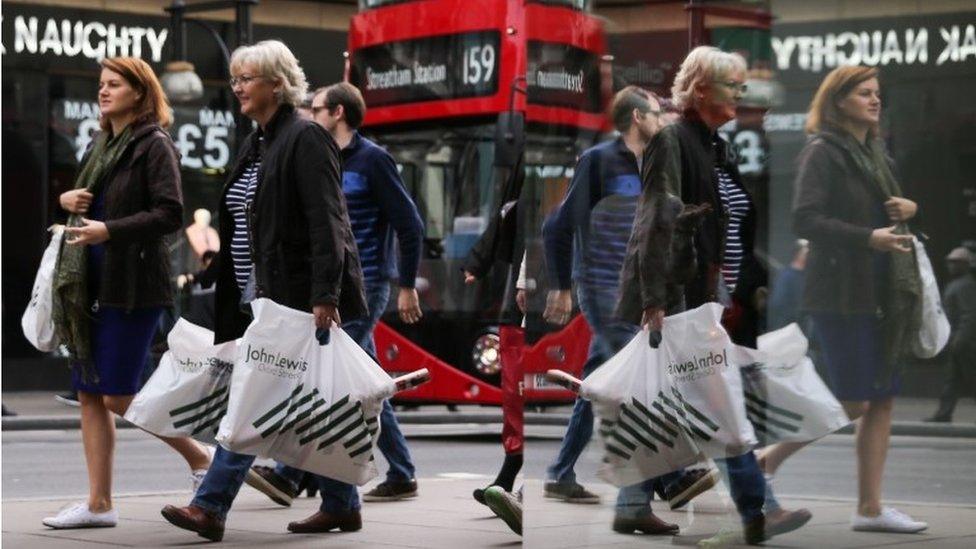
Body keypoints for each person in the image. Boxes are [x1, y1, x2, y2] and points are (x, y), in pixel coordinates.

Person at [160, 40, 369, 542]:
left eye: (246, 78)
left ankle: (210, 506)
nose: (237, 88)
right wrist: (213, 276)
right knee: (300, 400)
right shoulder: (260, 141)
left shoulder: (306, 138)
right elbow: (243, 222)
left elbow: (328, 222)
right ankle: (342, 504)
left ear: (277, 83)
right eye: (234, 79)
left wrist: (326, 296)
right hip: (260, 295)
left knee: (254, 399)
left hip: (297, 298)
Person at [619, 46, 812, 544]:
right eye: (733, 87)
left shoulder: (712, 144)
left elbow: (728, 223)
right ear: (701, 88)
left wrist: (745, 281)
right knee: (720, 404)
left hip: (707, 292)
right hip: (679, 294)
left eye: (743, 88)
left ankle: (635, 501)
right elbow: (656, 221)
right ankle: (757, 510)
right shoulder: (673, 140)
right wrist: (656, 301)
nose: (740, 96)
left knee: (669, 400)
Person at [43, 57, 212, 529]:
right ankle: (99, 505)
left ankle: (202, 459)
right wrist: (67, 201)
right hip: (88, 284)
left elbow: (170, 213)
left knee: (117, 396)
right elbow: (84, 201)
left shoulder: (154, 144)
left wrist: (110, 231)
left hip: (132, 285)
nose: (103, 91)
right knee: (88, 395)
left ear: (139, 92)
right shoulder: (102, 144)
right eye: (101, 84)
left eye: (114, 84)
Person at [540, 86, 717, 535]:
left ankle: (561, 473)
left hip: (640, 286)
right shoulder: (601, 161)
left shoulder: (661, 159)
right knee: (645, 385)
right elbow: (557, 226)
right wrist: (562, 286)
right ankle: (664, 484)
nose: (666, 117)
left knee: (605, 378)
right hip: (604, 289)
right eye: (659, 111)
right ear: (638, 117)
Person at [247, 81, 425, 505]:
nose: (307, 110)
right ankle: (401, 472)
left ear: (339, 112)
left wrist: (407, 286)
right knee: (365, 380)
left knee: (325, 376)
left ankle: (290, 474)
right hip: (329, 282)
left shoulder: (373, 161)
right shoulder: (315, 153)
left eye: (316, 105)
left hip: (364, 286)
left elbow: (410, 224)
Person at [770, 64, 926, 534]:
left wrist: (909, 209)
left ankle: (870, 509)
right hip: (840, 292)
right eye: (863, 93)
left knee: (883, 401)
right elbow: (804, 220)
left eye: (877, 93)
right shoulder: (823, 152)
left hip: (883, 291)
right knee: (855, 401)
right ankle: (763, 461)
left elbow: (889, 213)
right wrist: (867, 238)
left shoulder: (876, 152)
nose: (875, 101)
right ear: (838, 101)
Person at [924, 246, 976, 422]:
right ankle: (943, 414)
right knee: (952, 380)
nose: (951, 266)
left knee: (967, 378)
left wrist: (960, 341)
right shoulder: (956, 284)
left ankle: (943, 413)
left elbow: (969, 316)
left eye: (957, 263)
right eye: (950, 262)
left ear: (966, 265)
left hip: (964, 344)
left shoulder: (965, 286)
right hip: (956, 341)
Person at [767, 239, 810, 331]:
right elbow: (778, 303)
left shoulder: (808, 275)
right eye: (806, 253)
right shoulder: (786, 276)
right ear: (797, 254)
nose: (810, 256)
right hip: (788, 328)